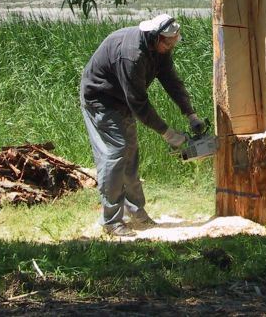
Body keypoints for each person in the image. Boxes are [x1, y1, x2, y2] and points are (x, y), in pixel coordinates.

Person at [80, 13, 206, 236]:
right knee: (117, 152)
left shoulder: (159, 49)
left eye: (175, 41)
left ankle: (136, 213)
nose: (171, 46)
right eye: (169, 42)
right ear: (156, 38)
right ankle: (111, 221)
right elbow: (138, 103)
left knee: (131, 154)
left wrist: (191, 114)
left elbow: (172, 82)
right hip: (101, 99)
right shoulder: (132, 56)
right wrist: (167, 133)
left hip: (121, 98)